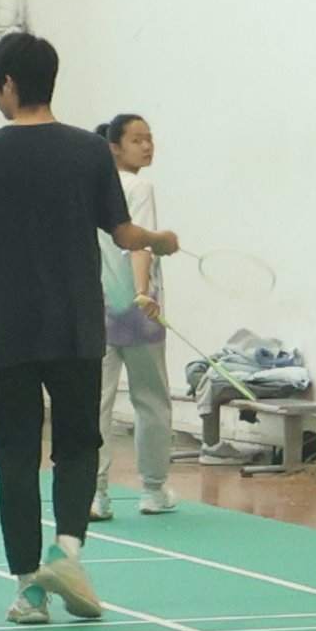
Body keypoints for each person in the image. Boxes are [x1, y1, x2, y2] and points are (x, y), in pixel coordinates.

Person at [0, 29, 150, 624]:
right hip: (76, 327)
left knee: (15, 457)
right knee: (79, 446)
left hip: (6, 331)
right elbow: (123, 233)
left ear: (7, 85)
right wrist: (159, 240)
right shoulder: (89, 151)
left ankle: (29, 591)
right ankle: (68, 553)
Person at [94, 110, 188, 518]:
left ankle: (95, 493)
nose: (147, 146)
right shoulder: (139, 187)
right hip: (138, 312)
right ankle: (153, 489)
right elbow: (140, 246)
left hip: (96, 311)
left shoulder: (91, 188)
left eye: (149, 138)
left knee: (96, 403)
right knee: (150, 401)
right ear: (114, 147)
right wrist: (141, 292)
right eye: (137, 140)